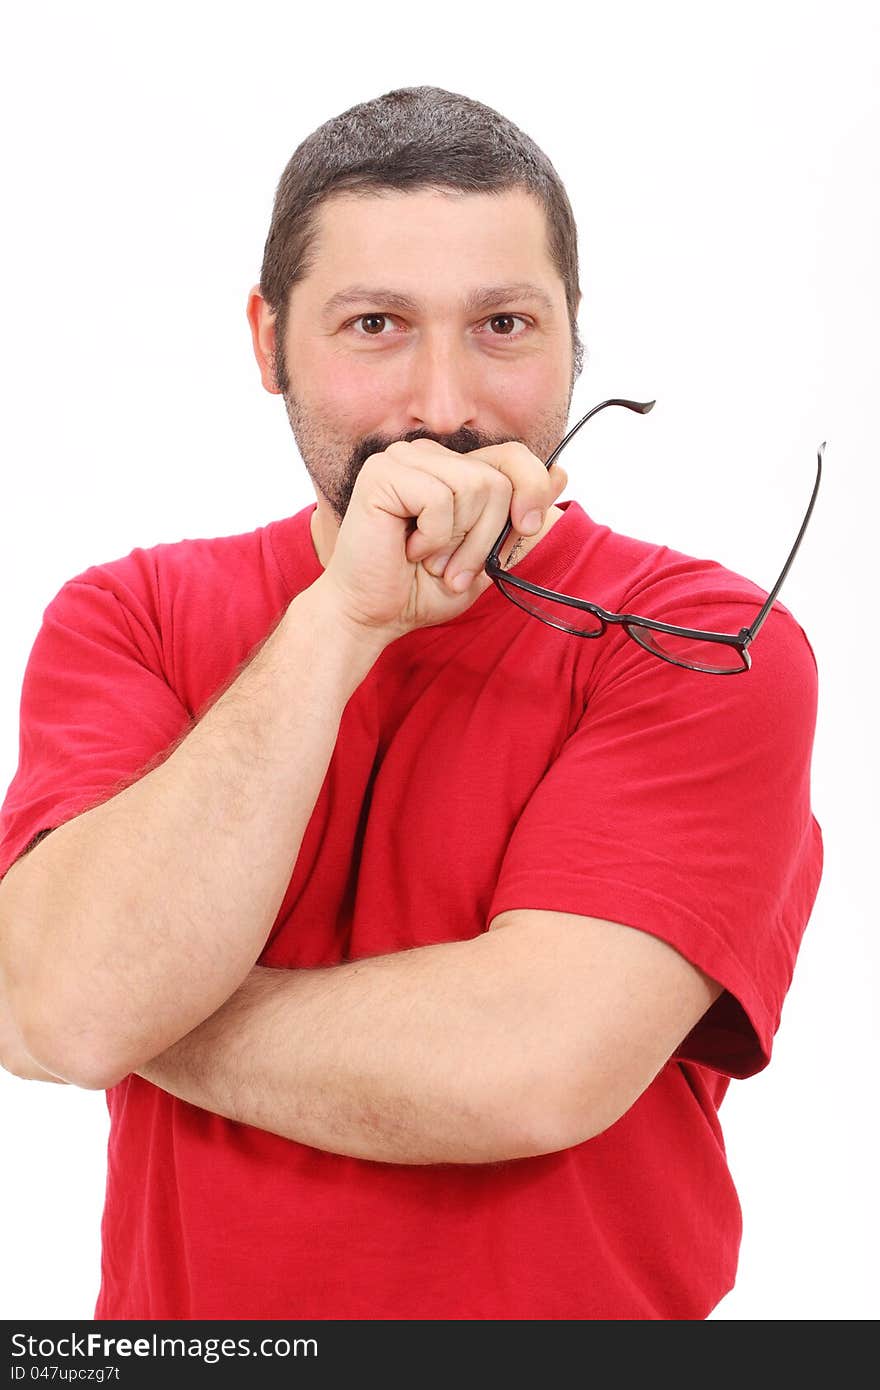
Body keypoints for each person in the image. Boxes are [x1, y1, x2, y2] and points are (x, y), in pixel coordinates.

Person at [0, 85, 823, 1321]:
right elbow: (59, 1005)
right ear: (267, 341)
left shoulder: (707, 643)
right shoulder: (133, 617)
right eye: (373, 323)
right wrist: (340, 621)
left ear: (573, 339)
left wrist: (132, 1010)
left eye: (503, 324)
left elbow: (527, 1070)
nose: (442, 403)